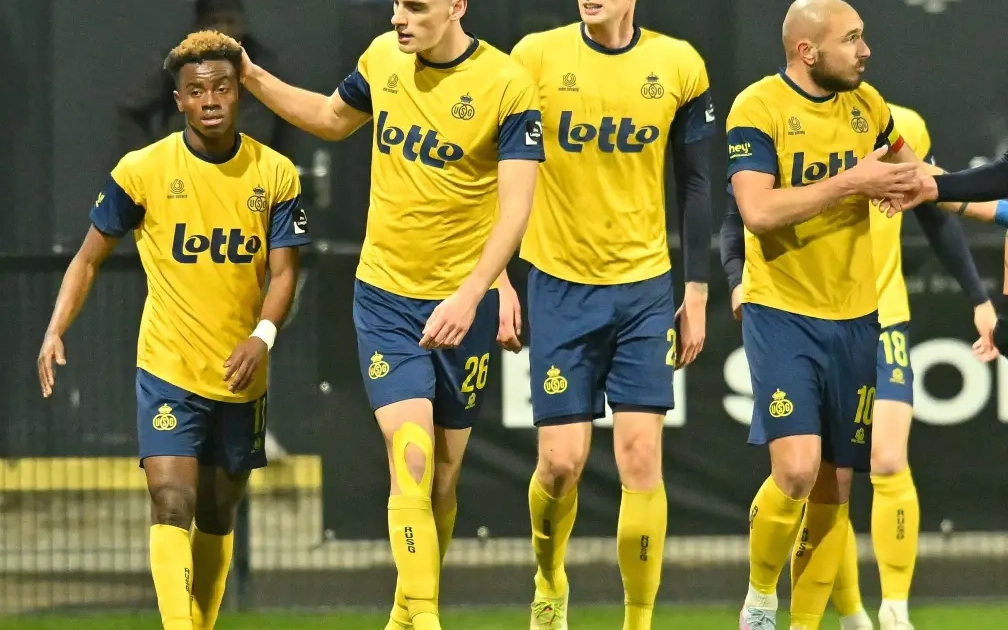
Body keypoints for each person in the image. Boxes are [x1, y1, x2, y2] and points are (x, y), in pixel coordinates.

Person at [238, 2, 543, 628]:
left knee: (443, 479)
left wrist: (477, 292)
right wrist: (251, 76)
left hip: (463, 305)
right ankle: (426, 618)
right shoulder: (383, 57)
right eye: (397, 3)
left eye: (417, 5)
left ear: (456, 6)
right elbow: (330, 118)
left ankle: (406, 613)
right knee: (412, 454)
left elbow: (516, 207)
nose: (400, 16)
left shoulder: (507, 83)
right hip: (386, 298)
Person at [37, 31, 310, 630]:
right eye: (196, 90)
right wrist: (56, 328)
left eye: (221, 87)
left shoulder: (276, 174)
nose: (210, 100)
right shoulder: (142, 171)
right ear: (179, 100)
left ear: (239, 94)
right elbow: (87, 258)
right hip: (168, 368)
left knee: (217, 515)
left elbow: (285, 273)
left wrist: (261, 336)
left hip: (240, 374)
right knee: (170, 501)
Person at [721, 101, 998, 630]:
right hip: (801, 313)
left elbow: (935, 207)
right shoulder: (777, 117)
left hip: (880, 318)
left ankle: (895, 610)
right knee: (816, 473)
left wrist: (978, 296)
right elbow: (740, 213)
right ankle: (845, 611)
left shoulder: (901, 127)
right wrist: (736, 281)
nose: (862, 60)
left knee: (884, 460)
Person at [724, 0, 941, 628]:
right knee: (795, 469)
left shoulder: (869, 108)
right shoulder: (757, 107)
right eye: (852, 39)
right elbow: (757, 212)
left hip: (857, 317)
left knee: (834, 489)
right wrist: (852, 183)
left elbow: (915, 175)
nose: (865, 50)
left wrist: (973, 195)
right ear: (807, 51)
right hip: (782, 311)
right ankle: (760, 600)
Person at [506, 1, 715, 628]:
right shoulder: (534, 57)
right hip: (558, 284)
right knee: (560, 464)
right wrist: (495, 281)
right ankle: (549, 579)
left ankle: (638, 620)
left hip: (643, 290)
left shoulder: (679, 64)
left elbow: (696, 183)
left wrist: (696, 292)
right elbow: (494, 170)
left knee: (642, 459)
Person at [118, 0, 290, 154]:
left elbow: (286, 116)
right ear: (200, 26)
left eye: (230, 21)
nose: (224, 31)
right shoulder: (178, 61)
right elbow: (132, 110)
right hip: (188, 167)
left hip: (250, 167)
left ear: (242, 24)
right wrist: (147, 164)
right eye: (215, 22)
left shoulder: (262, 63)